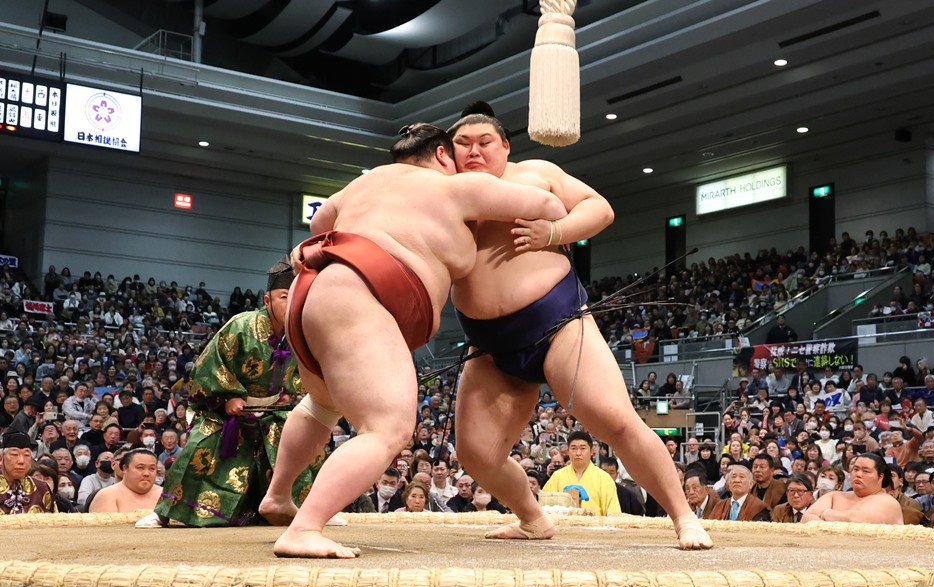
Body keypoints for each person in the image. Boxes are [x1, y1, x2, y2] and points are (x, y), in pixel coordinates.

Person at [260, 123, 568, 558]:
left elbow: (319, 221)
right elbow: (549, 204)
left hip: (310, 292)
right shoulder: (455, 186)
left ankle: (279, 496)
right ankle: (304, 528)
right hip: (359, 293)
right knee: (387, 428)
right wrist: (503, 183)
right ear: (442, 155)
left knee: (323, 405)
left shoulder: (366, 182)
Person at [447, 102, 711, 548]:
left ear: (505, 146)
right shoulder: (444, 194)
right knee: (476, 453)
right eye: (463, 143)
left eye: (484, 142)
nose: (473, 151)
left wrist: (553, 233)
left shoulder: (535, 173)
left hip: (558, 323)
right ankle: (533, 518)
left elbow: (599, 209)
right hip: (489, 345)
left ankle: (684, 517)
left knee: (617, 421)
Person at [145, 259, 323, 528]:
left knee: (307, 444)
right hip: (226, 408)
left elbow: (305, 371)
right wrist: (229, 396)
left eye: (296, 297)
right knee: (199, 445)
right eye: (284, 296)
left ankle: (313, 512)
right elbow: (209, 365)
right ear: (267, 300)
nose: (291, 304)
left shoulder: (300, 332)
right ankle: (163, 512)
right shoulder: (240, 325)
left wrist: (287, 393)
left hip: (273, 411)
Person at [801, 453, 903, 524]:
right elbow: (806, 518)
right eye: (856, 469)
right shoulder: (834, 496)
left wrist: (826, 513)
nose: (858, 474)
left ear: (880, 477)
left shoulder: (888, 502)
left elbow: (857, 520)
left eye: (866, 471)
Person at [542, 431, 620, 516]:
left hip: (595, 523)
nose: (578, 453)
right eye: (574, 448)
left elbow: (613, 514)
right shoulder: (557, 476)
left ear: (592, 451)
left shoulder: (604, 478)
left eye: (583, 448)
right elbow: (544, 509)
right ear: (568, 451)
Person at [89, 449, 162, 512]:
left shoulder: (165, 495)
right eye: (140, 468)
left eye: (152, 468)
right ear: (125, 468)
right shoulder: (107, 495)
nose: (146, 473)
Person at [0, 431, 55, 514]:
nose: (21, 461)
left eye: (26, 455)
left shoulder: (41, 488)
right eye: (14, 455)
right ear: (1, 459)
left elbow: (54, 519)